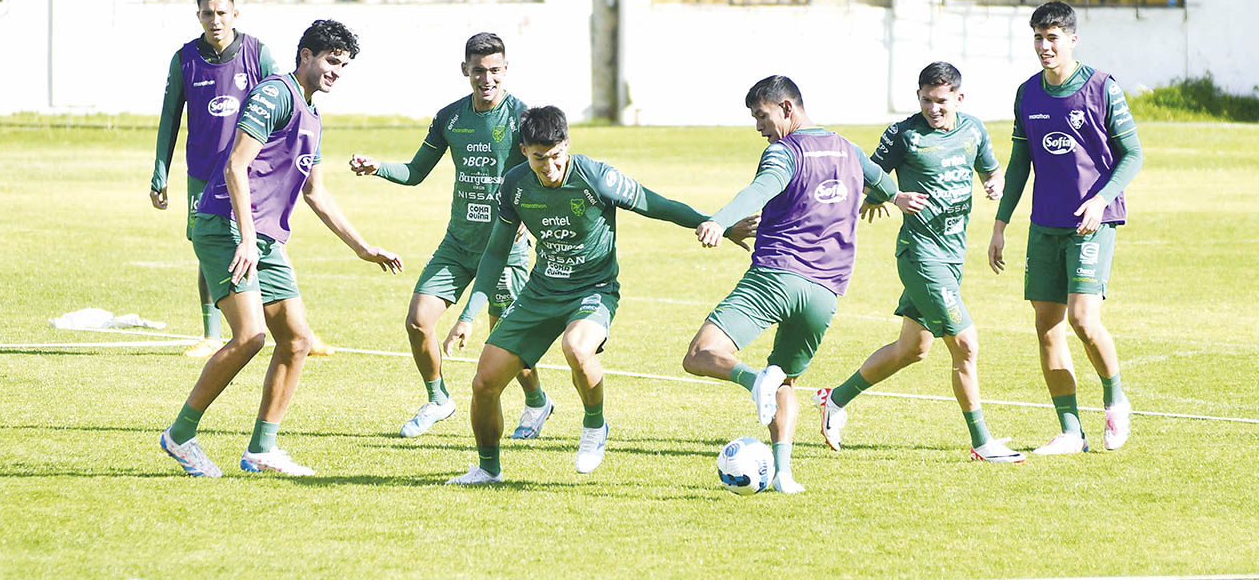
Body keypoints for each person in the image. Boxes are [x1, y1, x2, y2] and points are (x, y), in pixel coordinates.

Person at [159, 20, 402, 478]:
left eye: (344, 65)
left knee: (296, 340)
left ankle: (260, 450)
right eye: (331, 61)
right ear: (306, 55)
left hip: (264, 239)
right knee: (250, 336)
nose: (337, 71)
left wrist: (363, 248)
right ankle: (180, 435)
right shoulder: (275, 94)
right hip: (224, 226)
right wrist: (248, 240)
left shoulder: (313, 115)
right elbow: (235, 166)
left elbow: (316, 193)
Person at [445, 106, 732, 485]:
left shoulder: (597, 177)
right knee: (484, 383)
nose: (548, 167)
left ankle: (595, 428)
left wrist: (714, 223)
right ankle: (488, 469)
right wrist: (468, 315)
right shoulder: (514, 184)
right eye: (538, 158)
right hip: (540, 291)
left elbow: (655, 203)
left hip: (593, 289)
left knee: (577, 348)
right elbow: (496, 252)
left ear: (567, 146)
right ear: (524, 151)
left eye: (556, 156)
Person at [682, 75, 904, 493]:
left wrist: (720, 220)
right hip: (825, 293)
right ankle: (784, 474)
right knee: (784, 380)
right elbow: (884, 182)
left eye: (761, 115)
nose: (758, 127)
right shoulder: (846, 147)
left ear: (787, 108)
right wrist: (893, 198)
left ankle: (752, 380)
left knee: (700, 355)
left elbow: (760, 190)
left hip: (776, 276)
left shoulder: (784, 152)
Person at [812, 62, 1024, 464]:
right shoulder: (904, 134)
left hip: (952, 256)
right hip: (920, 255)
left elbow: (990, 171)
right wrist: (889, 197)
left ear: (959, 98)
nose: (934, 108)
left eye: (941, 101)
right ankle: (982, 443)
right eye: (926, 100)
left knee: (913, 348)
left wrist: (993, 182)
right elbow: (868, 175)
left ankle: (834, 400)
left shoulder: (974, 130)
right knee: (965, 344)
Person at [349, 32, 554, 440]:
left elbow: (546, 171)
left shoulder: (523, 117)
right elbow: (415, 171)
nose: (487, 78)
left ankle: (536, 402)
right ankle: (438, 398)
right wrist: (380, 168)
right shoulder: (450, 118)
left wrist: (531, 221)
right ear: (466, 71)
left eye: (495, 70)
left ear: (506, 70)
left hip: (506, 247)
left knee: (506, 341)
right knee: (417, 321)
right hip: (458, 243)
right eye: (479, 71)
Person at [150, 0, 336, 359]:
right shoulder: (184, 58)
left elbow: (289, 98)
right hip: (205, 173)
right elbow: (170, 116)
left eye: (222, 12)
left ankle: (300, 328)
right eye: (207, 13)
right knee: (209, 249)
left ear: (235, 14)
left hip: (252, 173)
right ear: (199, 16)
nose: (215, 20)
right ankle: (211, 334)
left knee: (268, 243)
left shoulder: (257, 54)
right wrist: (160, 171)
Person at [988, 1, 1142, 454]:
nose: (1044, 46)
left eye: (1053, 37)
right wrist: (1000, 225)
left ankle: (1116, 401)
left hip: (1091, 222)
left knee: (1082, 319)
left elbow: (1132, 154)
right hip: (1045, 224)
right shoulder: (1027, 93)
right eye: (1038, 37)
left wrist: (1100, 199)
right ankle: (1071, 432)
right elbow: (1020, 162)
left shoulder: (1102, 88)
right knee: (1046, 325)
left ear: (1072, 39)